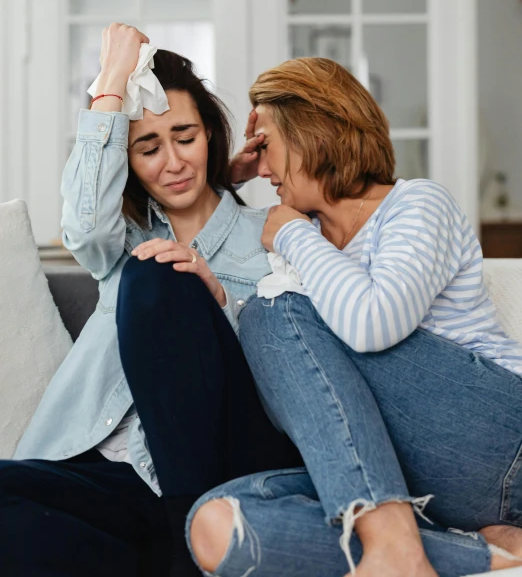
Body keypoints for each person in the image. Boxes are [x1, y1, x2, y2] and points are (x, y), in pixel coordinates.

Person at [188, 57, 522, 577]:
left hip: (497, 440)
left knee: (269, 311)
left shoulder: (416, 204)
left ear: (311, 132)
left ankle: (391, 542)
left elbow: (373, 323)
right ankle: (467, 553)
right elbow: (298, 378)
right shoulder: (307, 244)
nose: (264, 169)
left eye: (268, 145)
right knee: (218, 523)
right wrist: (223, 182)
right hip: (415, 478)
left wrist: (295, 236)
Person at [0, 24, 298, 577]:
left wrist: (221, 301)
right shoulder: (120, 242)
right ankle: (164, 557)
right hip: (109, 478)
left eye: (185, 137)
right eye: (148, 147)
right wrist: (111, 79)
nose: (173, 163)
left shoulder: (274, 237)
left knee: (160, 272)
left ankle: (194, 539)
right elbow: (84, 225)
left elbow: (303, 366)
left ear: (211, 134)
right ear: (129, 161)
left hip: (221, 474)